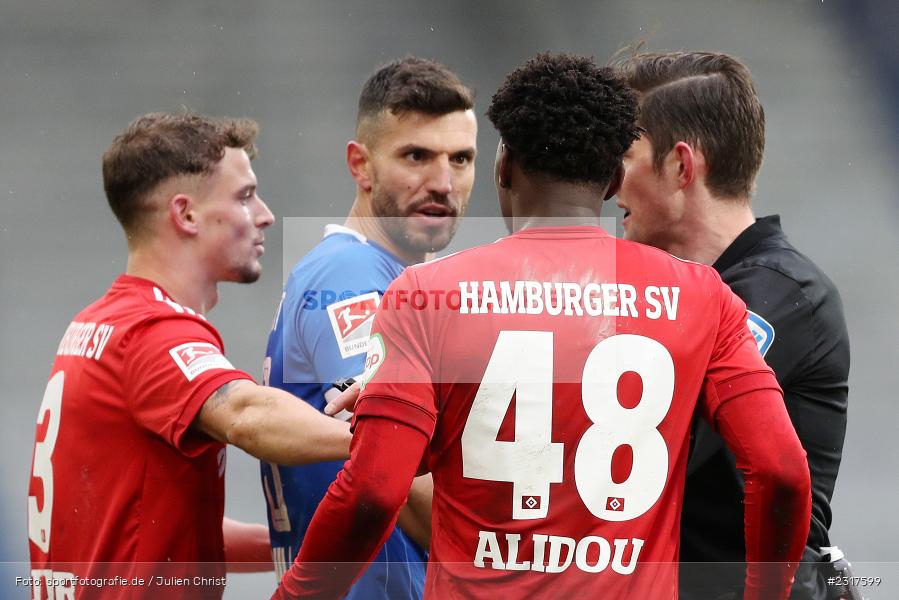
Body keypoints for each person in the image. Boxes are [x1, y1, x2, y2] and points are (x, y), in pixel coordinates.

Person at [273, 53, 811, 600]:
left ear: (503, 168)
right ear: (612, 181)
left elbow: (373, 491)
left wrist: (296, 594)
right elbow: (783, 471)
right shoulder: (704, 298)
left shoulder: (426, 295)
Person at [26, 112, 352, 600]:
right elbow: (246, 414)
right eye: (244, 196)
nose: (265, 214)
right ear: (186, 215)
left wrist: (297, 543)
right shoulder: (153, 333)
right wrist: (390, 437)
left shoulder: (97, 324)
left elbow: (160, 533)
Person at [613, 51, 851, 599]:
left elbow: (641, 438)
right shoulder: (669, 297)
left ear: (681, 165)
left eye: (623, 155)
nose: (608, 183)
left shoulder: (779, 293)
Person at [259, 56, 476, 598]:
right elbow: (393, 467)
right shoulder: (352, 278)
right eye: (417, 156)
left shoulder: (378, 276)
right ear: (361, 165)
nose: (444, 183)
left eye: (462, 158)